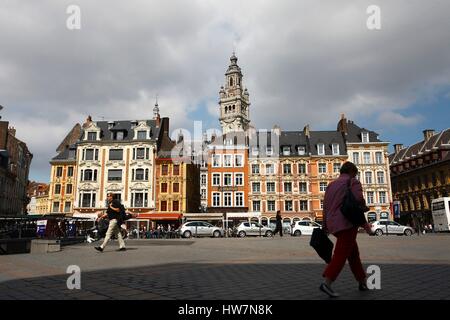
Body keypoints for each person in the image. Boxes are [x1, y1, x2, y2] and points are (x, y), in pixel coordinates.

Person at [320, 161, 372, 298]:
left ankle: (362, 281)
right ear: (352, 172)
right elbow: (358, 201)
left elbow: (325, 207)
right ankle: (327, 283)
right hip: (346, 223)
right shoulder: (352, 182)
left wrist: (325, 225)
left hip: (333, 224)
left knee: (353, 253)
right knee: (341, 254)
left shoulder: (330, 185)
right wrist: (366, 225)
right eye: (355, 174)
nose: (356, 176)